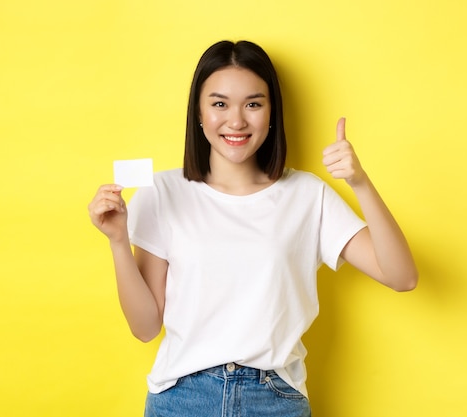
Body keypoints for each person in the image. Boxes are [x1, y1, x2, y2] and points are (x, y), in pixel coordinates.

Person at [88, 40, 417, 417]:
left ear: (272, 111)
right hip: (182, 399)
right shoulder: (163, 191)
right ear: (198, 111)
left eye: (253, 104)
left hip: (275, 399)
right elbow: (145, 328)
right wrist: (117, 242)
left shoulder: (307, 195)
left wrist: (359, 181)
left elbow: (401, 276)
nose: (236, 120)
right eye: (219, 103)